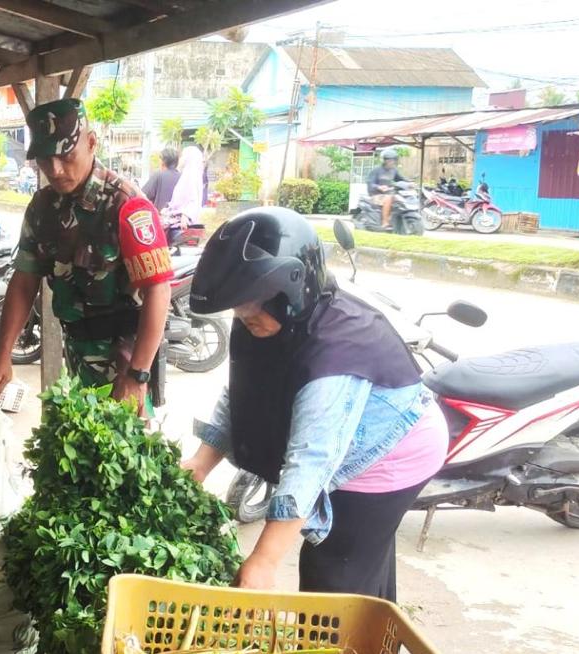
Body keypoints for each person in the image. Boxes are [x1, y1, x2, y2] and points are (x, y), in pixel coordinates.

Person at [181, 208, 448, 601]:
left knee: (334, 574)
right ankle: (374, 633)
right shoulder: (266, 320)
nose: (243, 316)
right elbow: (242, 392)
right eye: (238, 307)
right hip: (349, 441)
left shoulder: (335, 353)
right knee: (362, 564)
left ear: (290, 288)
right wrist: (200, 463)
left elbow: (312, 462)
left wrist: (264, 561)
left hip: (390, 453)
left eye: (250, 305)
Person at [0, 98, 172, 413]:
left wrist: (138, 375)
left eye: (66, 156)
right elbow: (25, 280)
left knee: (121, 455)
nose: (55, 170)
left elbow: (158, 289)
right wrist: (1, 356)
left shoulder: (125, 204)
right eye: (45, 159)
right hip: (76, 351)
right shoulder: (42, 208)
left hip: (124, 359)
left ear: (92, 143)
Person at [367, 148, 407, 230]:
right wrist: (379, 187)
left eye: (394, 160)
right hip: (375, 195)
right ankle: (385, 222)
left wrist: (410, 183)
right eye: (390, 160)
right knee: (388, 198)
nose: (392, 162)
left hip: (389, 194)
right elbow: (370, 183)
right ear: (384, 161)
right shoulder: (376, 170)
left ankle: (395, 220)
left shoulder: (394, 170)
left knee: (400, 199)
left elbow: (401, 179)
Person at [167, 144, 205, 226]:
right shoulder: (188, 175)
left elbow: (193, 199)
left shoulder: (191, 176)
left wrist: (186, 215)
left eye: (183, 156)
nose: (180, 159)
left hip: (182, 223)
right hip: (178, 220)